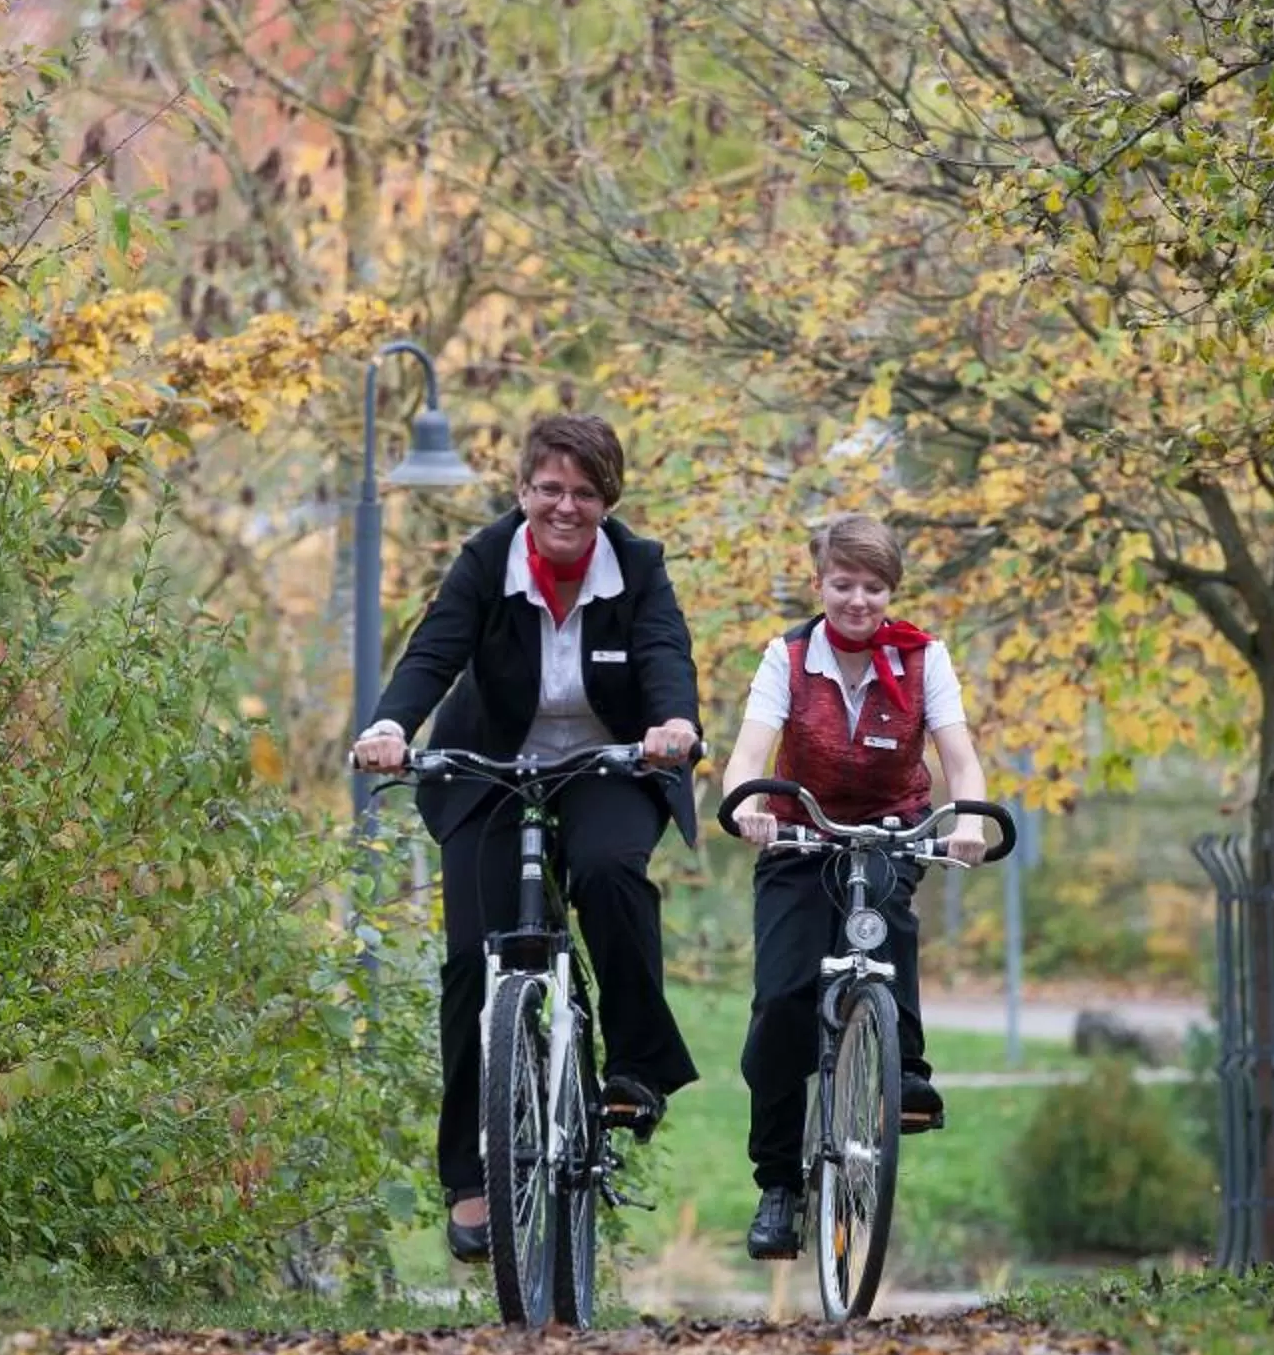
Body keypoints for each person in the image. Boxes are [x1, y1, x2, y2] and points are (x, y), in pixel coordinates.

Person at [351, 412, 704, 1265]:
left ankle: (633, 1073)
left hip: (608, 764)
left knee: (612, 873)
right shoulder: (486, 560)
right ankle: (469, 1175)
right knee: (473, 961)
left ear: (607, 501)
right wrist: (392, 724)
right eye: (549, 489)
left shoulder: (640, 568)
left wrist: (674, 722)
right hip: (491, 767)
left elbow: (665, 656)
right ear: (522, 492)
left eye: (585, 493)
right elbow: (434, 652)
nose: (566, 507)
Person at [714, 515, 993, 1260]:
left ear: (890, 592)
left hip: (890, 828)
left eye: (873, 587)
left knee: (885, 917)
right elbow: (746, 754)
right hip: (800, 835)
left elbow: (960, 759)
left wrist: (966, 819)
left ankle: (905, 1070)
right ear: (820, 585)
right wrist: (746, 804)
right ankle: (778, 1183)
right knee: (780, 1003)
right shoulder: (789, 656)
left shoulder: (923, 657)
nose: (858, 601)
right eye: (843, 585)